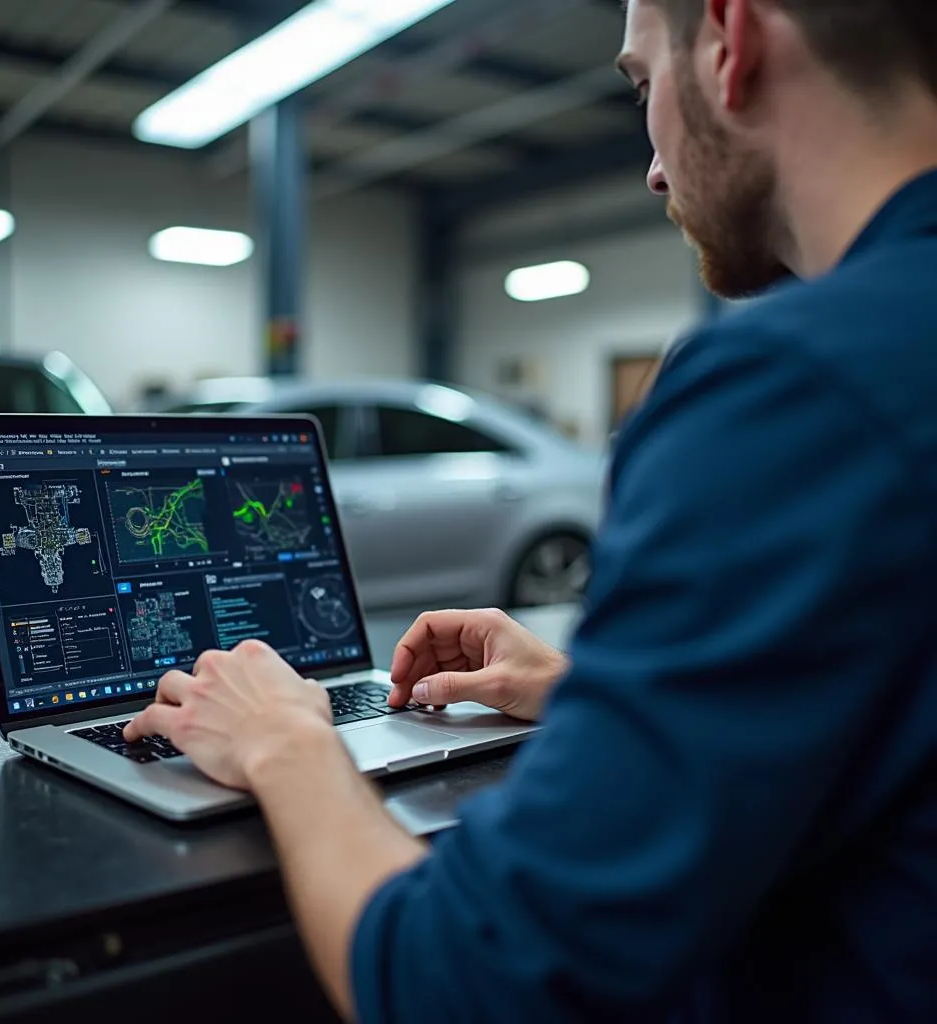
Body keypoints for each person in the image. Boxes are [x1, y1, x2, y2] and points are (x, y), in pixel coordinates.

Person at [125, 0, 937, 1019]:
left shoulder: (790, 386)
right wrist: (600, 693)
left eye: (643, 87)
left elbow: (468, 983)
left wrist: (287, 741)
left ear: (730, 41)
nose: (651, 167)